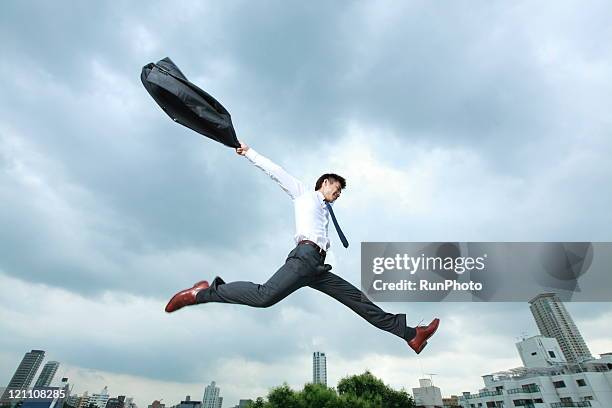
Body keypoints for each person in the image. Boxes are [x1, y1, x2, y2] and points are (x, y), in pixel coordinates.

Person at [165, 142, 439, 353]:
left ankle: (411, 335)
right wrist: (249, 152)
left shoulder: (324, 211)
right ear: (324, 183)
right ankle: (203, 293)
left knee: (358, 301)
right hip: (303, 258)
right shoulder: (303, 194)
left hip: (317, 268)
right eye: (337, 188)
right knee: (263, 297)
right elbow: (275, 172)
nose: (338, 194)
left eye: (341, 192)